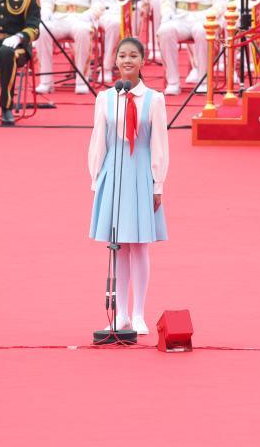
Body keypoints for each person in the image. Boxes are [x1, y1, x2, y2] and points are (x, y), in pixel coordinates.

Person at [87, 38, 168, 335]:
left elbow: (159, 143)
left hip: (141, 170)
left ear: (143, 61)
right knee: (118, 245)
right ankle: (120, 313)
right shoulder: (105, 98)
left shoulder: (154, 99)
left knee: (139, 245)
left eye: (133, 55)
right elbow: (99, 139)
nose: (127, 60)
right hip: (114, 170)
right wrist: (97, 178)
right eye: (122, 55)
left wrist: (158, 183)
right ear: (116, 61)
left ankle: (138, 313)